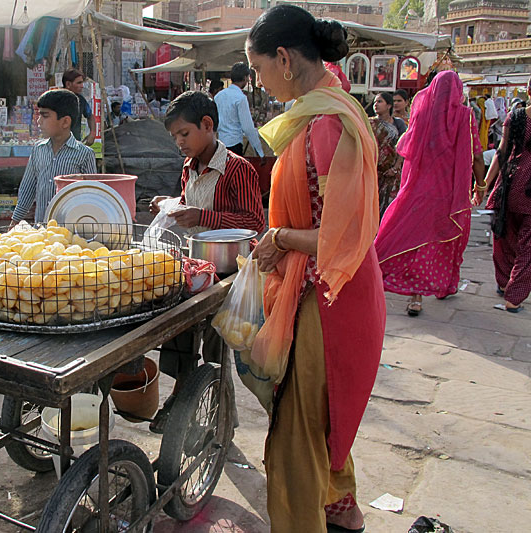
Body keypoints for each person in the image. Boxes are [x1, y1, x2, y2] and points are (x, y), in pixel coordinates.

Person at [246, 5, 385, 532]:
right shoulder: (321, 108)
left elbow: (342, 238)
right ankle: (344, 515)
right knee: (319, 424)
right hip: (332, 291)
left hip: (332, 300)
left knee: (294, 439)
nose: (258, 82)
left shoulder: (330, 122)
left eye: (259, 69)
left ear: (284, 59)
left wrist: (278, 237)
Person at [147, 90, 266, 434]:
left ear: (208, 125)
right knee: (178, 326)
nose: (179, 143)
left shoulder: (236, 169)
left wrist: (202, 215)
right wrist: (170, 204)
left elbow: (253, 222)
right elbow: (189, 203)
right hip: (196, 266)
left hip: (229, 270)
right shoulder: (189, 167)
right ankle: (182, 393)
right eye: (175, 137)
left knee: (215, 350)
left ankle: (220, 418)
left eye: (184, 134)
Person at [376, 71, 486, 316]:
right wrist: (481, 186)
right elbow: (477, 155)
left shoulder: (421, 114)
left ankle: (421, 295)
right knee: (444, 237)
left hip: (419, 190)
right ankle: (438, 287)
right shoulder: (465, 116)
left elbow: (405, 148)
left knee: (416, 239)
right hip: (448, 191)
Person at [11, 89, 97, 224]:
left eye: (45, 116)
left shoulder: (85, 154)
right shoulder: (38, 150)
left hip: (70, 232)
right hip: (41, 231)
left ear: (65, 122)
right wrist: (14, 223)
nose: (39, 122)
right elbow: (27, 190)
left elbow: (91, 196)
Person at [476, 106, 531, 312]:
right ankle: (514, 297)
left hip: (509, 185)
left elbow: (502, 151)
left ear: (528, 90)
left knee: (504, 238)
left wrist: (484, 184)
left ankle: (503, 281)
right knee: (528, 248)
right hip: (526, 191)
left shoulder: (515, 117)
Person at [214, 62, 265, 157]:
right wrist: (259, 151)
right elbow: (248, 128)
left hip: (220, 144)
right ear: (245, 78)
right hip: (234, 145)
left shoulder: (218, 96)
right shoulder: (240, 98)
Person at [370, 92, 407, 218]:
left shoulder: (398, 124)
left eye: (379, 101)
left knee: (389, 207)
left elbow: (403, 146)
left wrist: (396, 167)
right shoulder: (370, 123)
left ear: (389, 105)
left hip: (391, 173)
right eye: (375, 102)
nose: (376, 105)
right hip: (373, 172)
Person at [62, 68, 96, 145]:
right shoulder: (56, 99)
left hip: (75, 144)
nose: (82, 86)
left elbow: (90, 116)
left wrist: (92, 133)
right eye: (79, 83)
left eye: (82, 83)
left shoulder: (80, 100)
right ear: (68, 84)